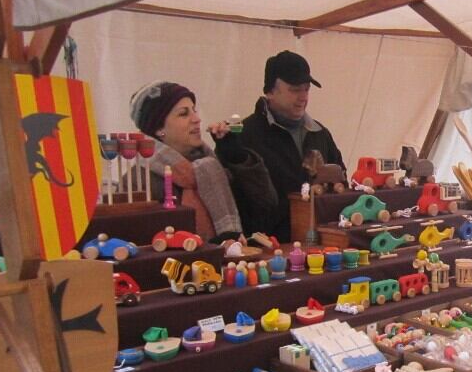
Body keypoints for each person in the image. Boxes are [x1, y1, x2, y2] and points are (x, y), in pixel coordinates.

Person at [129, 81, 276, 240]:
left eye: (194, 110)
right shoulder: (138, 180)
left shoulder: (210, 166)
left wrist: (236, 157)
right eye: (184, 114)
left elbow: (266, 206)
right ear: (158, 128)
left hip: (230, 260)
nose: (197, 119)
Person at [233, 50, 346, 240]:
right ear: (270, 91)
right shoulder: (245, 135)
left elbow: (342, 183)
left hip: (322, 244)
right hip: (267, 247)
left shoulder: (320, 133)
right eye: (295, 89)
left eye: (306, 89)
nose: (303, 97)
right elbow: (235, 200)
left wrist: (329, 179)